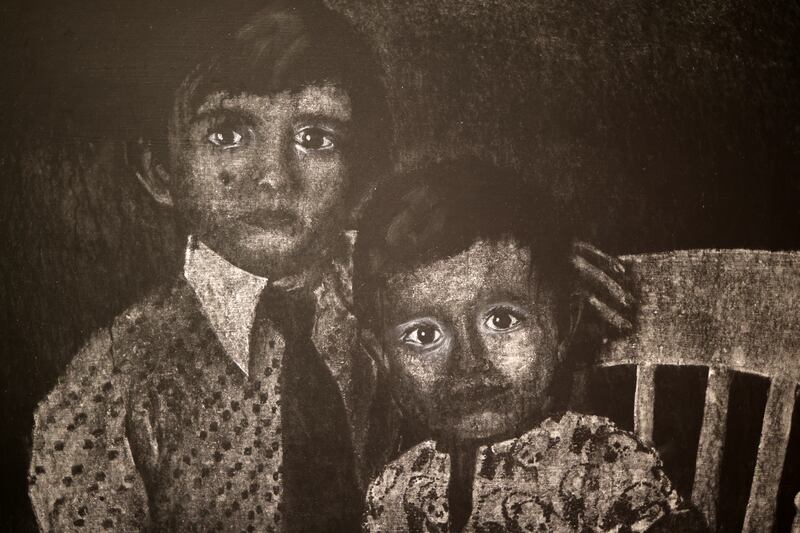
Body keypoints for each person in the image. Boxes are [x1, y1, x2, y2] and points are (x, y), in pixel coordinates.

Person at [28, 2, 389, 531]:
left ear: (360, 172)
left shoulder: (402, 304)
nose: (274, 177)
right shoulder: (111, 384)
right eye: (228, 134)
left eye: (315, 138)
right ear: (159, 171)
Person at [353, 160, 708, 532]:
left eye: (501, 321)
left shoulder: (601, 465)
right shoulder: (396, 489)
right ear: (381, 355)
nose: (469, 362)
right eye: (425, 336)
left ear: (562, 326)